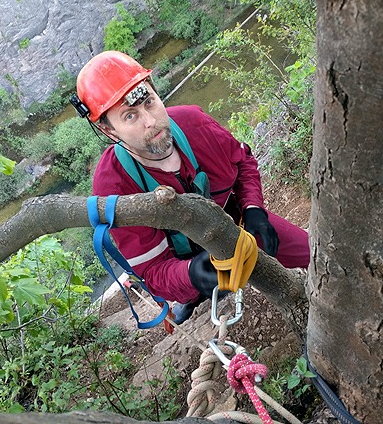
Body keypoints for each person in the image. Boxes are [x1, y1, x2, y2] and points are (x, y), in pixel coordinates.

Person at [73, 50, 310, 324]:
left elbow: (242, 161)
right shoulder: (114, 186)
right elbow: (153, 271)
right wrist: (191, 275)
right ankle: (196, 296)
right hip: (182, 260)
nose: (150, 121)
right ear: (108, 131)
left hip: (236, 227)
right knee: (194, 287)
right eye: (130, 116)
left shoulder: (194, 125)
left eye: (149, 102)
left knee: (311, 250)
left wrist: (254, 209)